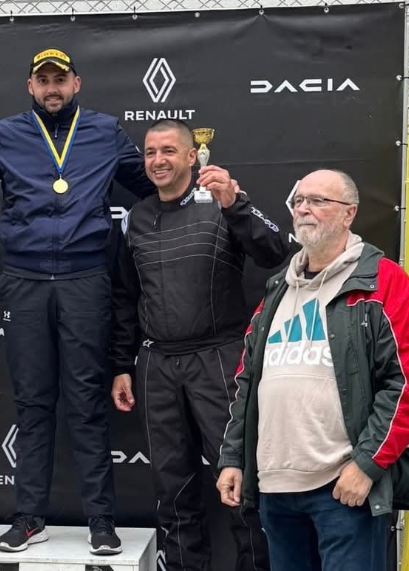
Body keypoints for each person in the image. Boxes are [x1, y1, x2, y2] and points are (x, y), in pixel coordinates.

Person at [0, 48, 155, 555]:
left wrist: (195, 177)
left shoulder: (105, 131)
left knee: (87, 402)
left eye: (60, 79)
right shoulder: (8, 134)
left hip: (85, 278)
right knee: (32, 403)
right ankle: (29, 517)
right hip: (25, 281)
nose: (52, 88)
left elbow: (151, 186)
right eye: (43, 80)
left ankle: (101, 520)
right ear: (30, 87)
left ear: (76, 83)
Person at [216, 169, 409, 571]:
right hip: (275, 489)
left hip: (343, 487)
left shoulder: (384, 282)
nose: (304, 209)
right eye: (299, 200)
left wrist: (367, 465)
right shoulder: (278, 289)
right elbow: (247, 382)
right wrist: (233, 457)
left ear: (349, 213)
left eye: (318, 201)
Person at [110, 119, 288, 571]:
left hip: (219, 358)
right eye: (150, 152)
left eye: (168, 151)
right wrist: (122, 364)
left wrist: (236, 204)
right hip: (156, 364)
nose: (158, 161)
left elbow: (274, 252)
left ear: (192, 156)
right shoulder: (136, 218)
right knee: (172, 487)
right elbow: (125, 298)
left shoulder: (222, 204)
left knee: (239, 481)